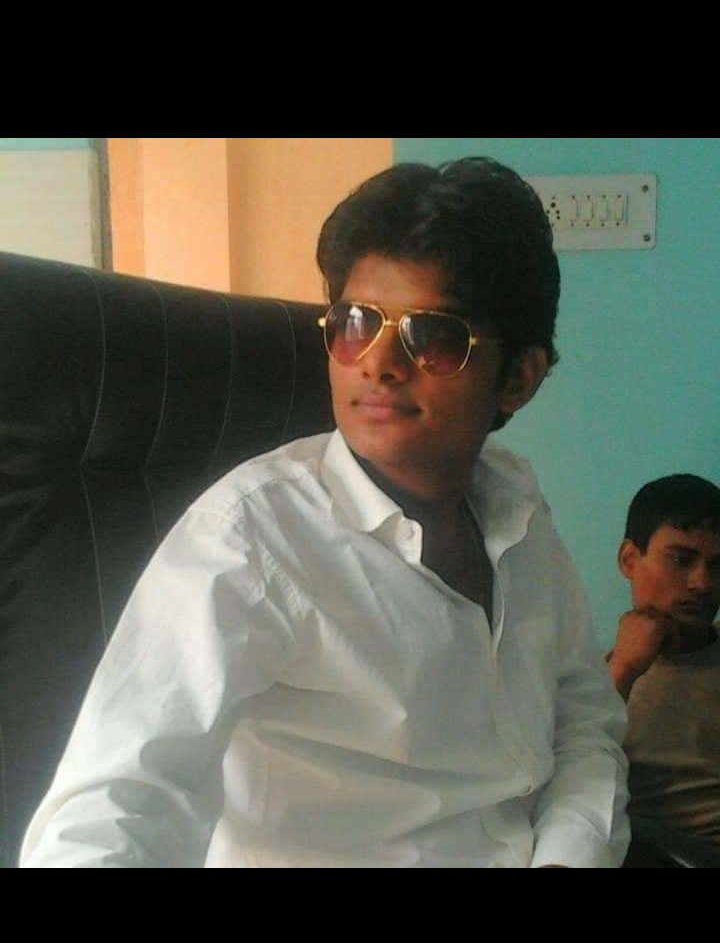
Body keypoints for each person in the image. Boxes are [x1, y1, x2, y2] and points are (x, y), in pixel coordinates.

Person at [19, 157, 629, 868]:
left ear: (518, 377)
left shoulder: (517, 509)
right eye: (355, 323)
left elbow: (582, 726)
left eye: (432, 335)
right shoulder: (250, 540)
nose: (377, 362)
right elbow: (115, 806)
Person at [606, 475, 720, 868]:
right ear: (629, 560)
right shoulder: (591, 680)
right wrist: (624, 668)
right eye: (681, 560)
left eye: (717, 566)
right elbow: (568, 778)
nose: (703, 583)